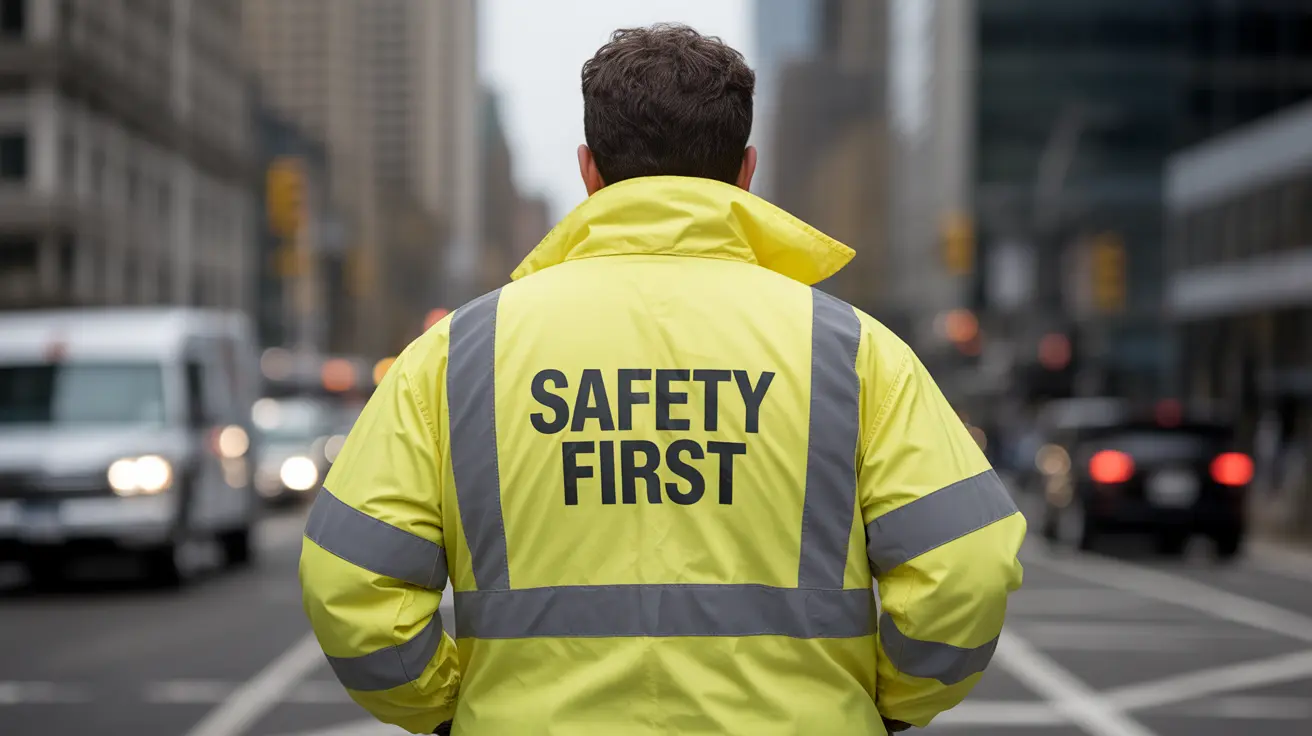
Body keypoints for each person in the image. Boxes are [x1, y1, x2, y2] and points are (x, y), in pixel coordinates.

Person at [300, 23, 1025, 735]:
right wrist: (886, 703)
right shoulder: (853, 352)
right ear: (746, 171)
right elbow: (964, 567)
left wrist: (449, 708)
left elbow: (348, 580)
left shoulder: (457, 355)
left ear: (589, 171)